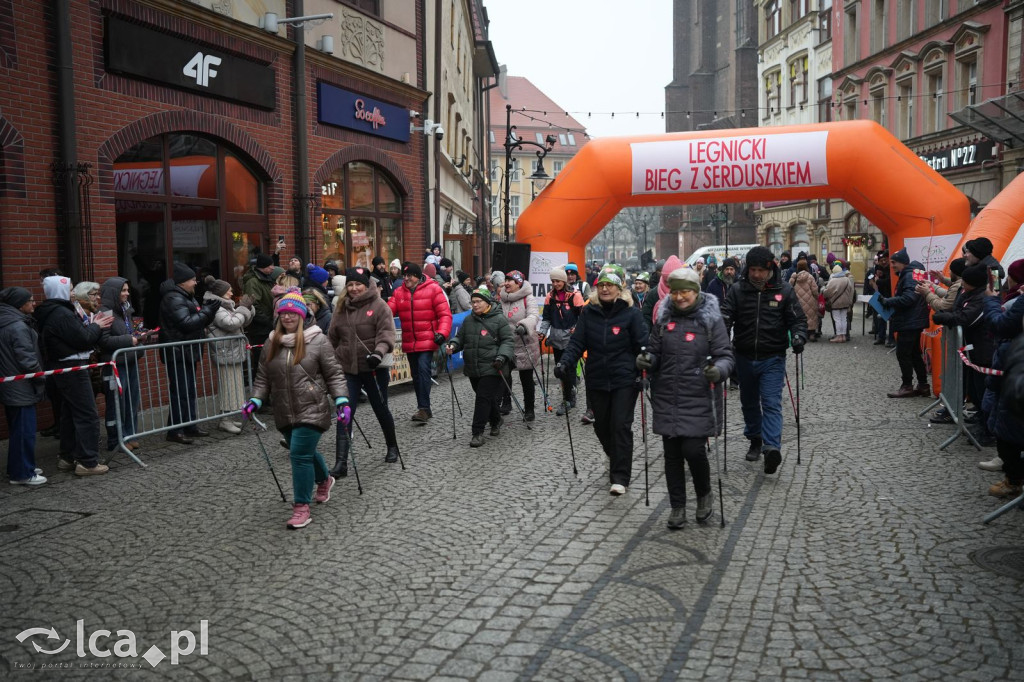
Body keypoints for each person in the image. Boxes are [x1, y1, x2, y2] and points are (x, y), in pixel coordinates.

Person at [637, 268, 734, 528]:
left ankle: (704, 494)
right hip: (667, 395)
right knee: (672, 455)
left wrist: (719, 371)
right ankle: (677, 507)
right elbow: (654, 352)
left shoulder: (711, 320)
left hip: (699, 395)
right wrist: (647, 361)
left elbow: (726, 356)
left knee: (693, 450)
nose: (680, 297)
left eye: (685, 292)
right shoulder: (663, 320)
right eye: (675, 291)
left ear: (696, 292)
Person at [244, 291, 349, 529]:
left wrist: (342, 399)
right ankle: (325, 479)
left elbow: (334, 374)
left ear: (302, 315)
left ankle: (301, 506)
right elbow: (262, 378)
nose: (288, 317)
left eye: (292, 312)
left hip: (312, 407)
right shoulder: (272, 342)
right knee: (303, 451)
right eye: (283, 313)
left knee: (298, 455)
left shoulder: (318, 341)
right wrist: (255, 400)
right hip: (284, 409)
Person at [554, 268, 649, 495]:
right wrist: (565, 363)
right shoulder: (589, 312)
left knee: (620, 425)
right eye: (601, 285)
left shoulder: (631, 313)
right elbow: (577, 342)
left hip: (625, 378)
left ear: (619, 288)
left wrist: (647, 363)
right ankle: (612, 454)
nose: (605, 289)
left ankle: (620, 477)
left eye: (610, 285)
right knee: (601, 426)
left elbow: (643, 344)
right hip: (597, 378)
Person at [721, 246, 807, 475]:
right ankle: (755, 440)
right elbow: (725, 317)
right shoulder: (737, 291)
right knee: (749, 402)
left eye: (761, 270)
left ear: (770, 269)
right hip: (744, 356)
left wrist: (799, 336)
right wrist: (720, 337)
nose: (756, 275)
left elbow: (798, 320)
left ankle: (771, 448)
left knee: (770, 402)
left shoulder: (785, 291)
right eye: (753, 270)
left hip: (773, 357)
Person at [34, 276, 113, 475]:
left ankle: (68, 457)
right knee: (87, 414)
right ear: (60, 291)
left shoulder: (54, 311)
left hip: (65, 367)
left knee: (69, 413)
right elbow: (84, 339)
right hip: (72, 367)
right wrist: (97, 326)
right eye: (69, 289)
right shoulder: (61, 313)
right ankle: (88, 461)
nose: (72, 293)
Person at [328, 267, 401, 471]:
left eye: (357, 284)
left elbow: (386, 333)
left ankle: (392, 446)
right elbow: (331, 337)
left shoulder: (379, 306)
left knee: (380, 408)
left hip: (373, 367)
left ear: (365, 285)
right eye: (350, 285)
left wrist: (378, 353)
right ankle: (341, 462)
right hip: (348, 369)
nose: (353, 288)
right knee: (345, 411)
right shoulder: (341, 307)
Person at [159, 262, 221, 444]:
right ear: (182, 282)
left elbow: (195, 318)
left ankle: (190, 424)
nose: (195, 283)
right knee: (180, 391)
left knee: (189, 389)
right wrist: (208, 312)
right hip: (178, 351)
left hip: (186, 350)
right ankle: (175, 429)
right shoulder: (173, 298)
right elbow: (187, 323)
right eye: (192, 280)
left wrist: (207, 311)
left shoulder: (186, 296)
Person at [933, 263, 995, 444]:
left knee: (983, 392)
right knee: (975, 392)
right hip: (972, 351)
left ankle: (988, 431)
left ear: (971, 283)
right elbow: (959, 310)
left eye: (964, 282)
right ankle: (982, 423)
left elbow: (966, 318)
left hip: (983, 351)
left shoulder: (981, 297)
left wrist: (944, 317)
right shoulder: (969, 294)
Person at [445, 286, 515, 447]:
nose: (475, 305)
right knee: (487, 397)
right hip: (473, 367)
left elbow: (507, 341)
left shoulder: (499, 319)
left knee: (482, 398)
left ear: (487, 302)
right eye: (473, 302)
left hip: (493, 366)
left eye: (478, 302)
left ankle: (477, 432)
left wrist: (501, 357)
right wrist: (453, 346)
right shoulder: (469, 320)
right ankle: (496, 420)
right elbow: (460, 338)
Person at [387, 262, 453, 422]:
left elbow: (445, 314)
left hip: (428, 339)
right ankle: (425, 408)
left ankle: (423, 409)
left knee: (424, 371)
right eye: (404, 275)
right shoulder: (398, 293)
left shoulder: (434, 289)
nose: (406, 278)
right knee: (416, 376)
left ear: (417, 276)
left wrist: (442, 333)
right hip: (410, 341)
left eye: (409, 275)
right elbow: (387, 312)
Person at [980, 260, 1024, 487]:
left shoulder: (1018, 300)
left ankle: (1014, 480)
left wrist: (991, 300)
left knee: (1008, 429)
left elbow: (1001, 324)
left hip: (1015, 370)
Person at [0, 287, 46, 485]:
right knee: (24, 431)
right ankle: (23, 473)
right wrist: (40, 376)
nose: (34, 303)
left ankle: (19, 467)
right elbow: (27, 358)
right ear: (20, 304)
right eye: (31, 300)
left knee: (18, 429)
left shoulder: (7, 322)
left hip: (11, 384)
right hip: (21, 386)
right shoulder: (17, 326)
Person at [97, 277, 144, 450]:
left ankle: (130, 434)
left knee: (132, 400)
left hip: (130, 360)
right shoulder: (105, 312)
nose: (127, 293)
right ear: (113, 293)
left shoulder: (126, 310)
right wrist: (128, 340)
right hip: (116, 364)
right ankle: (116, 439)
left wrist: (140, 336)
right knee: (117, 401)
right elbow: (104, 340)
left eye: (127, 290)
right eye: (123, 290)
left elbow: (130, 331)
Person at [204, 275, 254, 435]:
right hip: (224, 351)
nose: (232, 293)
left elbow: (242, 321)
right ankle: (225, 420)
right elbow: (231, 324)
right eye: (229, 290)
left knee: (235, 386)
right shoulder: (216, 307)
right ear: (222, 292)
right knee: (228, 386)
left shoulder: (225, 305)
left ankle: (230, 417)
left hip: (231, 351)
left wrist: (248, 308)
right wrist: (243, 309)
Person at [879, 248, 931, 398]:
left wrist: (888, 301)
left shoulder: (908, 276)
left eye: (894, 262)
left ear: (902, 262)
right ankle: (923, 385)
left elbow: (909, 298)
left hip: (909, 321)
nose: (892, 265)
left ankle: (907, 386)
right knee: (914, 354)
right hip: (912, 320)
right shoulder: (911, 274)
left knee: (903, 354)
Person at [538, 266, 586, 416]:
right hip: (556, 337)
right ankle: (569, 393)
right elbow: (546, 318)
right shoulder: (550, 297)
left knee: (568, 368)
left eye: (558, 281)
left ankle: (568, 398)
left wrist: (577, 328)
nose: (555, 283)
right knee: (561, 369)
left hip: (571, 339)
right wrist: (542, 332)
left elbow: (584, 317)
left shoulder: (575, 295)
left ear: (564, 281)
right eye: (553, 281)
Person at [497, 269, 541, 421]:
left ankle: (529, 409)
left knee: (526, 378)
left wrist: (524, 324)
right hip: (505, 343)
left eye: (510, 280)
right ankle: (506, 402)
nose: (507, 283)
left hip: (524, 342)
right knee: (504, 374)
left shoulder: (527, 297)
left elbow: (534, 315)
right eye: (506, 280)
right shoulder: (501, 297)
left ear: (518, 283)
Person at [242, 252, 277, 369]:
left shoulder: (266, 279)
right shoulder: (253, 282)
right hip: (260, 329)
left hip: (268, 326)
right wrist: (269, 321)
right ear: (263, 266)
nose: (273, 267)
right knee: (261, 359)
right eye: (270, 265)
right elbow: (254, 305)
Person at [789, 257, 821, 341]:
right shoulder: (810, 277)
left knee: (800, 317)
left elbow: (789, 288)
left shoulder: (794, 277)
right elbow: (814, 290)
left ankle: (801, 334)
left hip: (797, 301)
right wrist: (817, 297)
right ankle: (811, 335)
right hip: (810, 301)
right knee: (811, 317)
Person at [823, 262, 855, 343]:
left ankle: (839, 336)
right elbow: (851, 291)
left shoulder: (833, 280)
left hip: (836, 303)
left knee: (837, 319)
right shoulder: (847, 279)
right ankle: (844, 336)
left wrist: (823, 290)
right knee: (844, 319)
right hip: (845, 302)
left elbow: (827, 292)